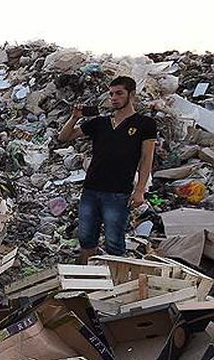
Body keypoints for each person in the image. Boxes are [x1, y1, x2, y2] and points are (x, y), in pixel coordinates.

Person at [57, 76, 157, 262]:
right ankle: (87, 280)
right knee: (86, 238)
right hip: (91, 189)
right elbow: (64, 137)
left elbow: (146, 159)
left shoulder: (144, 124)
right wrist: (74, 117)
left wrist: (140, 190)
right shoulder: (100, 123)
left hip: (118, 193)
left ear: (132, 94)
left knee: (114, 242)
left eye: (119, 93)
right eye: (111, 94)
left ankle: (114, 284)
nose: (114, 98)